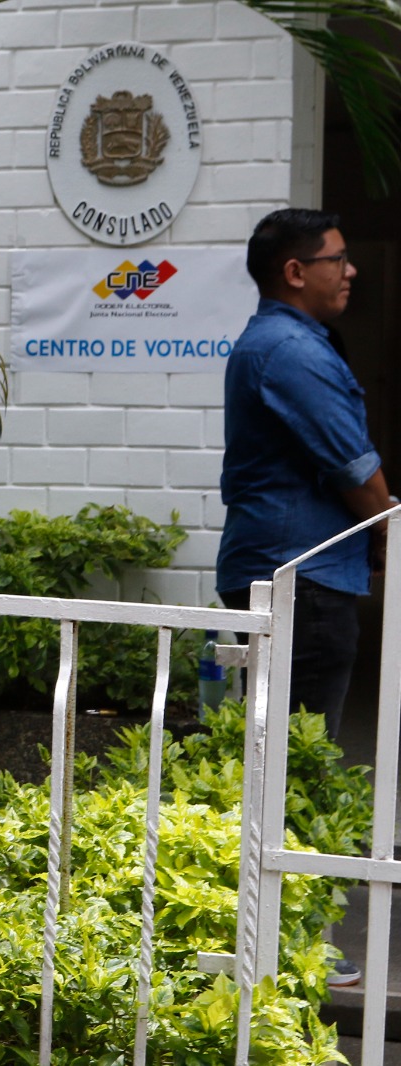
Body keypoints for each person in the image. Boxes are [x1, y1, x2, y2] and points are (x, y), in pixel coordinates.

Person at [216, 208, 391, 747]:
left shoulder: (283, 343)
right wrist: (386, 529)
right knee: (296, 762)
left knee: (280, 751)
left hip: (292, 576)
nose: (350, 270)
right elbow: (356, 472)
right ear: (295, 272)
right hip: (299, 580)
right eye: (337, 259)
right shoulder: (290, 351)